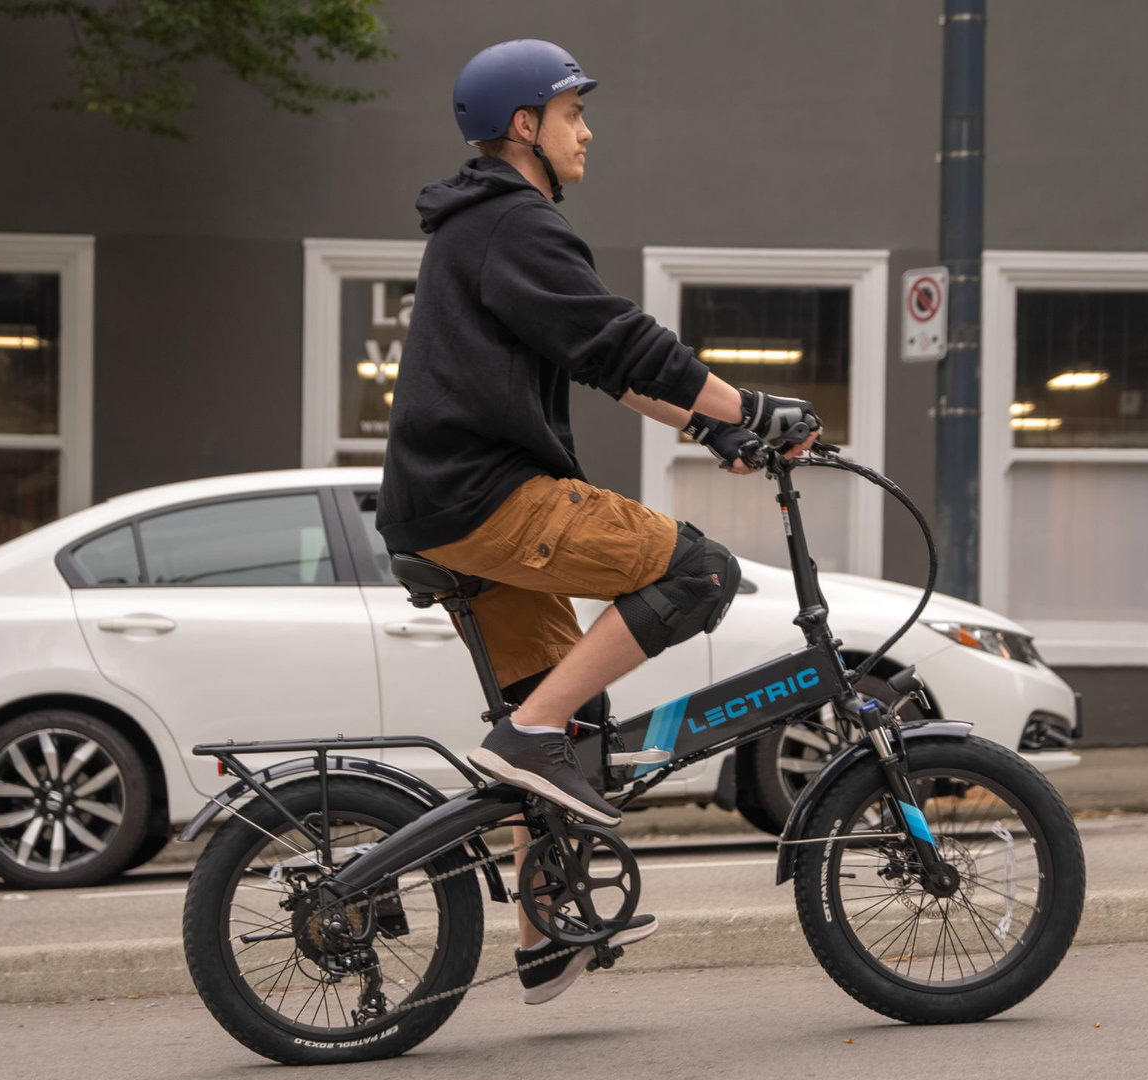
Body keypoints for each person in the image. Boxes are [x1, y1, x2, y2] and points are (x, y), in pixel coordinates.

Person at [375, 38, 821, 1004]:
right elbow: (626, 341)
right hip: (486, 495)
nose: (590, 131)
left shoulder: (485, 227)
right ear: (525, 126)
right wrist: (745, 407)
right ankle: (526, 737)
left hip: (449, 503)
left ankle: (544, 933)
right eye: (574, 113)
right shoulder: (514, 222)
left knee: (564, 727)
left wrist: (718, 428)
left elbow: (604, 366)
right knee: (699, 571)